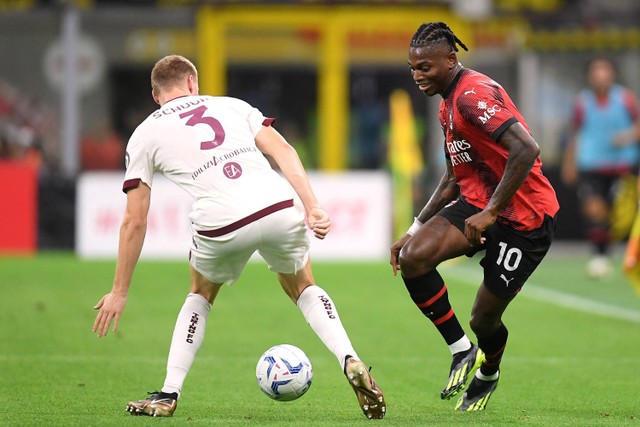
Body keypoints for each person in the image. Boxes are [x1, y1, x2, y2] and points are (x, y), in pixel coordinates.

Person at [92, 55, 385, 419]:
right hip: (276, 204)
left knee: (200, 294)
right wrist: (312, 207)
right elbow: (284, 150)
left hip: (221, 222)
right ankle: (349, 358)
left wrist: (120, 291)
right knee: (302, 285)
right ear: (192, 84)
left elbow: (134, 220)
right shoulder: (231, 105)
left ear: (155, 96)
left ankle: (168, 393)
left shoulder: (144, 134)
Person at [389, 22, 559, 411]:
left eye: (425, 68)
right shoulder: (447, 102)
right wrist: (412, 229)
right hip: (479, 204)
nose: (417, 76)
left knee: (484, 319)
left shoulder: (471, 96)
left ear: (451, 60)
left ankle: (488, 371)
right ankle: (461, 350)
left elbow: (526, 149)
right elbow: (452, 178)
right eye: (412, 68)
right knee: (413, 257)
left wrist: (491, 212)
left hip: (523, 216)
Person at [561, 57, 640, 278]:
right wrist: (569, 163)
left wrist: (627, 136)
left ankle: (612, 252)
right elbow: (574, 133)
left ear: (612, 74)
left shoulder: (625, 98)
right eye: (596, 71)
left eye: (604, 70)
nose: (600, 76)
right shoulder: (582, 102)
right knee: (594, 208)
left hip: (621, 165)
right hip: (591, 163)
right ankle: (600, 257)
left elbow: (638, 126)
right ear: (590, 76)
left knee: (618, 216)